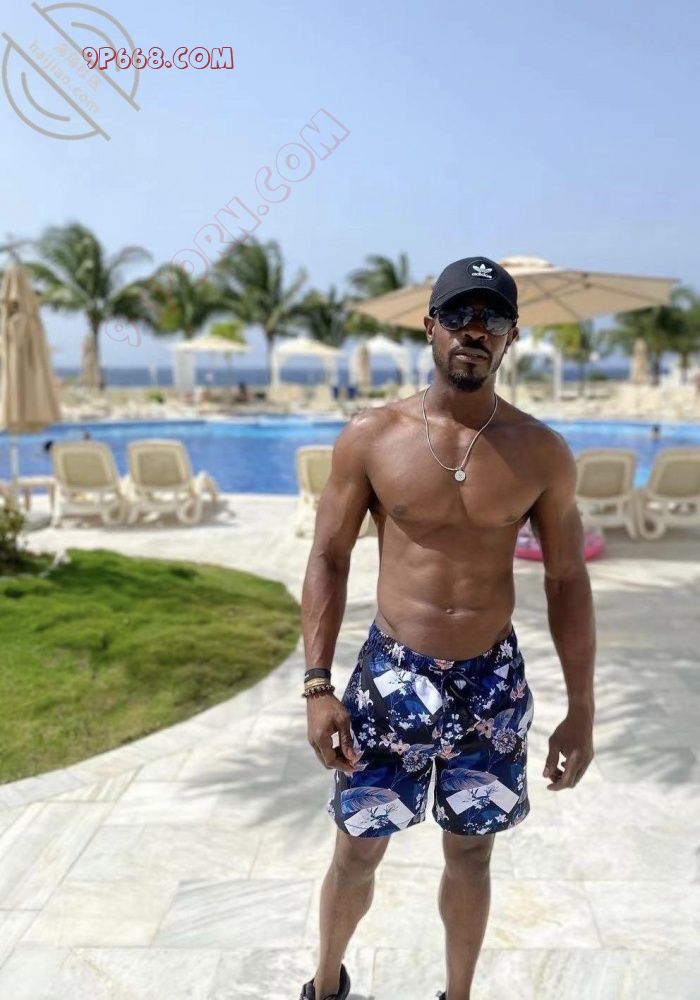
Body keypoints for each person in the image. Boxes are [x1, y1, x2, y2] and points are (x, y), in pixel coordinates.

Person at [299, 256, 596, 1000]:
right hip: (391, 678)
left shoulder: (540, 452)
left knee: (471, 856)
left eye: (492, 318)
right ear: (429, 326)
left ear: (511, 337)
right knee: (357, 851)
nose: (474, 329)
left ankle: (457, 996)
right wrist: (317, 686)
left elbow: (566, 579)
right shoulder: (373, 436)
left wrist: (582, 710)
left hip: (491, 683)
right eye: (459, 314)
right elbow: (329, 556)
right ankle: (325, 988)